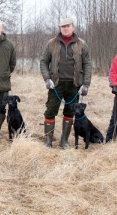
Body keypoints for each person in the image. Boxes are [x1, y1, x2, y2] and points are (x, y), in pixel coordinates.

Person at [39, 17, 93, 149]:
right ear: (60, 28)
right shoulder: (51, 43)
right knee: (50, 111)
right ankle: (48, 141)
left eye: (68, 26)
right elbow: (43, 62)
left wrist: (85, 84)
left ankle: (64, 141)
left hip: (74, 85)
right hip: (56, 85)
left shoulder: (81, 44)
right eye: (63, 26)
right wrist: (47, 79)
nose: (65, 28)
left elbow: (87, 64)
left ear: (73, 27)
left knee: (70, 112)